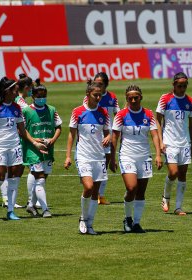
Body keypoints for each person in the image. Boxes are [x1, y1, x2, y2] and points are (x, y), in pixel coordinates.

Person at [0, 77, 46, 220]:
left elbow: (23, 131)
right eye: (14, 90)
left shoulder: (17, 108)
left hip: (15, 146)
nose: (17, 93)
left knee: (14, 178)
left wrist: (35, 143)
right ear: (7, 91)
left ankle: (10, 211)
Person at [64, 80, 115, 235]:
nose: (98, 97)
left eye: (100, 95)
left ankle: (90, 223)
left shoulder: (104, 113)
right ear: (88, 94)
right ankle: (82, 218)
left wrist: (108, 137)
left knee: (96, 192)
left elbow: (107, 132)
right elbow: (71, 135)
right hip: (83, 155)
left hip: (99, 156)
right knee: (88, 187)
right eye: (95, 95)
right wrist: (68, 156)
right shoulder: (78, 112)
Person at [112, 84, 163, 233]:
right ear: (126, 99)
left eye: (136, 97)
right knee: (131, 188)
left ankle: (137, 223)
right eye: (130, 98)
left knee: (141, 192)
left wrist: (158, 155)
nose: (133, 100)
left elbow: (154, 135)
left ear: (141, 97)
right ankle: (127, 218)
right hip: (127, 156)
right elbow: (115, 137)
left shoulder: (148, 114)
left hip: (144, 157)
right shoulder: (121, 115)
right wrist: (112, 158)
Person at [156, 72, 192, 215]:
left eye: (185, 86)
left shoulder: (190, 102)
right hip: (170, 142)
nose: (182, 88)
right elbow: (158, 121)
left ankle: (178, 207)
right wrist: (161, 142)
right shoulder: (165, 99)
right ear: (173, 85)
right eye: (179, 85)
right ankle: (166, 196)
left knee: (183, 174)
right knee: (173, 172)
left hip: (184, 143)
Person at [22, 79, 62, 218]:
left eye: (44, 95)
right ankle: (45, 209)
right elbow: (22, 129)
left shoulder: (52, 109)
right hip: (33, 150)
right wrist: (33, 141)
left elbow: (58, 127)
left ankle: (31, 205)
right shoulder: (26, 111)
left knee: (43, 177)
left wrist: (53, 139)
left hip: (48, 148)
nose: (42, 98)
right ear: (33, 96)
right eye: (39, 96)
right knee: (40, 179)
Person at [84, 72, 120, 205]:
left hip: (107, 136)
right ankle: (93, 193)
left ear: (106, 85)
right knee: (94, 166)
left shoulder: (112, 98)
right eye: (96, 83)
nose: (98, 86)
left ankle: (101, 195)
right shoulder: (90, 96)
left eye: (101, 84)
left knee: (104, 167)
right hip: (93, 137)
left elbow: (117, 114)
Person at [0, 73, 33, 208]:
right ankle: (7, 199)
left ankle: (9, 199)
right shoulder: (18, 102)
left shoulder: (21, 102)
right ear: (25, 88)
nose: (32, 90)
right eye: (31, 88)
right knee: (12, 169)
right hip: (16, 139)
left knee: (15, 169)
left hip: (19, 138)